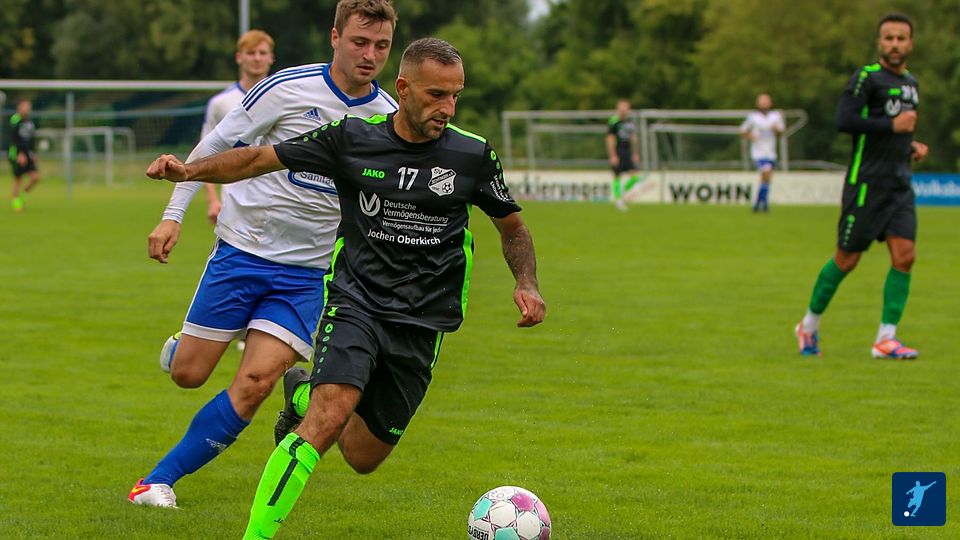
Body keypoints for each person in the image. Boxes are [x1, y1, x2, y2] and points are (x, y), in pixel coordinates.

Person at [146, 37, 546, 539]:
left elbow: (513, 228)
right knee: (326, 419)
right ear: (404, 88)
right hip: (355, 302)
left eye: (455, 96)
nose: (447, 107)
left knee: (362, 455)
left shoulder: (472, 155)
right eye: (436, 95)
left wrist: (527, 282)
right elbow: (258, 159)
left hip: (423, 321)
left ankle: (302, 394)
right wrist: (190, 171)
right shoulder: (352, 139)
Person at [130, 0, 399, 509]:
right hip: (243, 251)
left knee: (255, 384)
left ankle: (155, 482)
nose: (369, 55)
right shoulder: (287, 88)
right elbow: (215, 145)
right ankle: (184, 346)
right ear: (335, 37)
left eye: (381, 46)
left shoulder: (386, 117)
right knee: (189, 374)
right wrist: (172, 215)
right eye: (360, 42)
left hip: (307, 274)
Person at [795, 12, 926, 359]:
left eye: (901, 38)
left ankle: (886, 338)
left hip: (899, 185)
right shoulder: (866, 78)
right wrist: (892, 127)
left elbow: (897, 129)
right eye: (888, 38)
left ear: (911, 44)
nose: (894, 44)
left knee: (905, 256)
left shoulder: (912, 83)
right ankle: (808, 324)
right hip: (866, 184)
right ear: (879, 42)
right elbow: (845, 120)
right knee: (847, 259)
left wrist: (910, 145)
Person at [200, 29, 276, 226]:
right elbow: (205, 151)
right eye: (251, 53)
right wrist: (212, 200)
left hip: (276, 200)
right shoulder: (220, 103)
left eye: (262, 53)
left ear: (271, 58)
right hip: (233, 203)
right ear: (239, 57)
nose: (257, 58)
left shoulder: (285, 98)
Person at [740, 93, 784, 212]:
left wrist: (776, 130)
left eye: (766, 101)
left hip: (771, 152)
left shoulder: (776, 116)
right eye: (762, 101)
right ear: (758, 104)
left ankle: (757, 205)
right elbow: (742, 130)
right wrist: (750, 136)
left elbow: (782, 133)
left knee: (766, 179)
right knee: (766, 173)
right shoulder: (753, 117)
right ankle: (764, 205)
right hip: (758, 152)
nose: (764, 104)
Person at [606, 98, 642, 211]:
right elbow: (610, 138)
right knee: (617, 176)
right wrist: (612, 155)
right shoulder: (614, 121)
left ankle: (621, 193)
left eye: (626, 107)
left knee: (635, 175)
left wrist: (635, 153)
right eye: (622, 107)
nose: (623, 109)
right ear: (618, 108)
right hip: (618, 151)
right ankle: (619, 201)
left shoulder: (630, 122)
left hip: (628, 151)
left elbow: (633, 138)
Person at [7, 100, 40, 213]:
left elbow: (31, 139)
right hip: (16, 153)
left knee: (35, 177)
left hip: (27, 153)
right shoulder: (15, 119)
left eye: (28, 106)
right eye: (25, 106)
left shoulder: (30, 122)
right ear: (19, 107)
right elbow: (14, 137)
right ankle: (16, 204)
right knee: (18, 178)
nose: (27, 109)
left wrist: (33, 153)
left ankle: (22, 195)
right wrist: (20, 154)